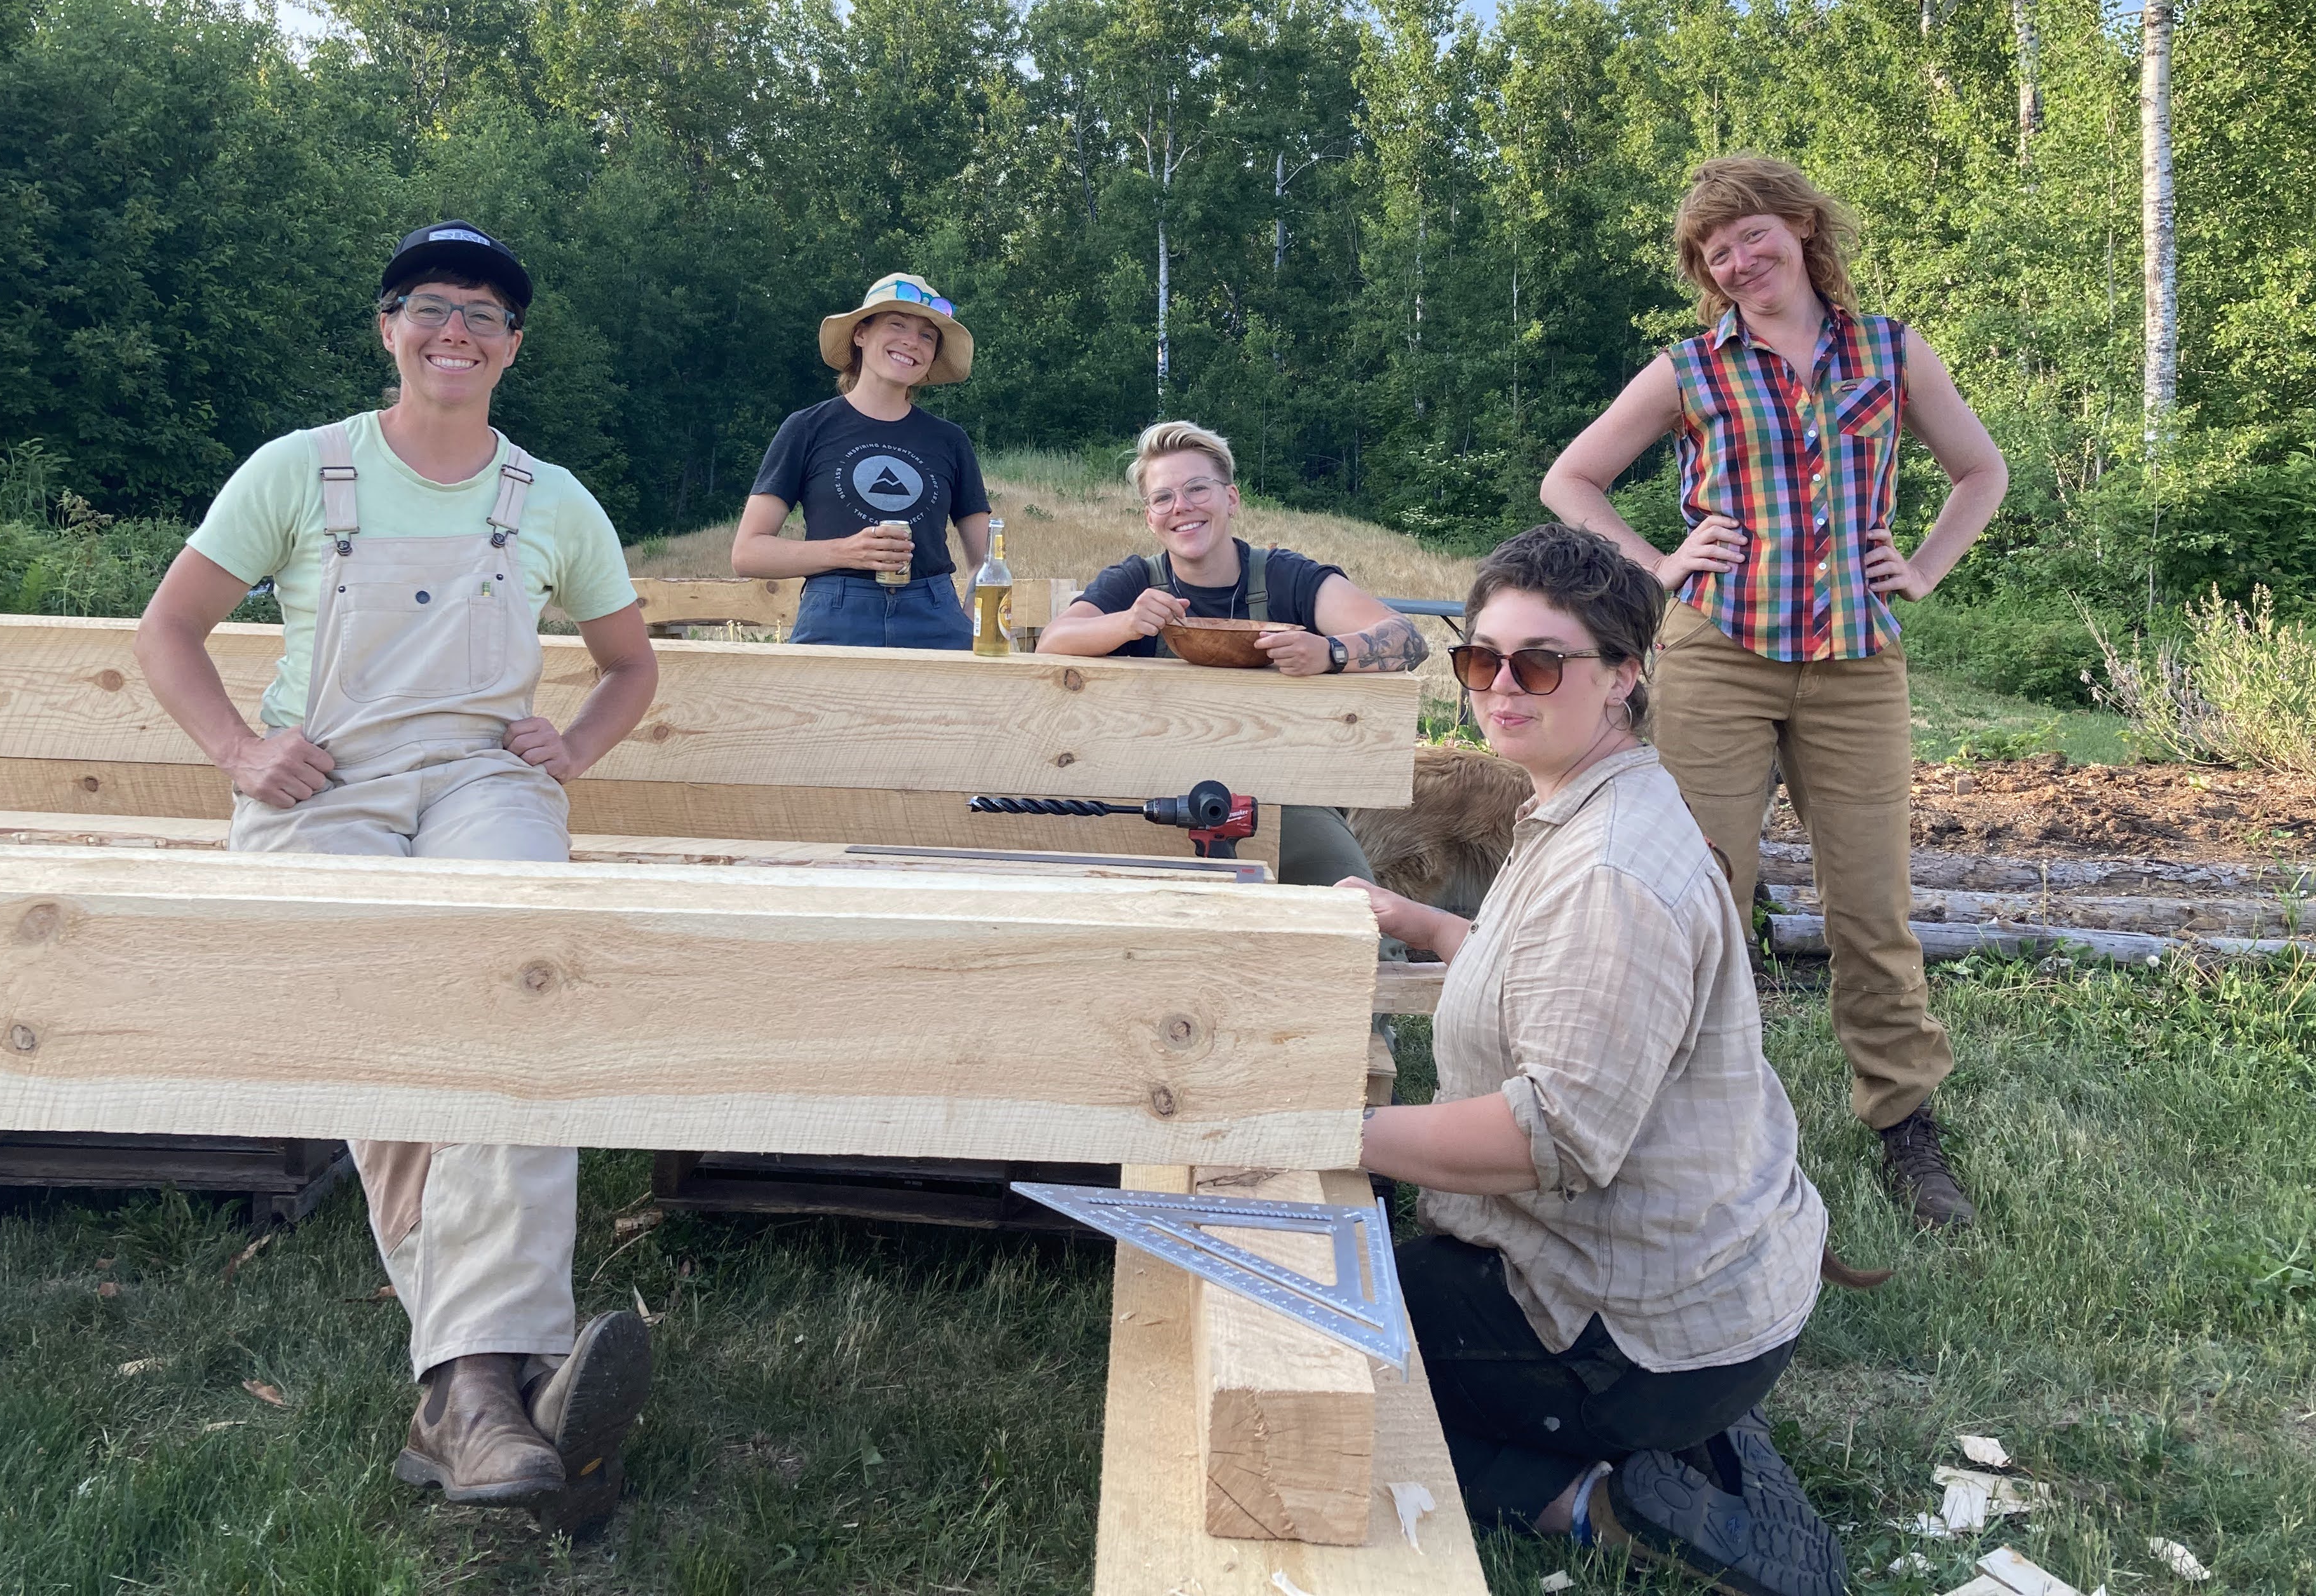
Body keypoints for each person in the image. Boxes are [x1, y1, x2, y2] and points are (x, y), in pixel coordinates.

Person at [133, 220, 661, 1528]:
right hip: (333, 782)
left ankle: (470, 1392)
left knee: (519, 996)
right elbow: (171, 628)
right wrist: (238, 750)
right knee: (392, 1024)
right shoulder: (299, 472)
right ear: (388, 328)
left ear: (513, 349)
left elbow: (631, 662)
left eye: (484, 317)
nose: (455, 333)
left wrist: (570, 746)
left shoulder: (550, 497)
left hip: (484, 781)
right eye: (431, 307)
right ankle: (497, 1378)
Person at [1350, 524, 1845, 1596]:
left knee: (1321, 1353)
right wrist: (1426, 925)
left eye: (1539, 661)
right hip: (1712, 1278)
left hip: (1633, 1330)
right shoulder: (1590, 801)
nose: (1500, 687)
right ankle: (1690, 1436)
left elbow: (1549, 1133)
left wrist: (1327, 1133)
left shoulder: (1613, 868)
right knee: (1360, 1273)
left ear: (1624, 673)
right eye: (1479, 658)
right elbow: (1552, 978)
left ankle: (1601, 1500)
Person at [1540, 154, 2008, 1229]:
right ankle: (1679, 1119)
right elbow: (1571, 478)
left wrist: (1925, 566)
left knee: (1870, 904)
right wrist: (1659, 560)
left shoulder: (1887, 350)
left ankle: (1903, 1123)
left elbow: (1980, 469)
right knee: (1698, 893)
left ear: (1800, 227)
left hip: (1855, 662)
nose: (1736, 260)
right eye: (1714, 252)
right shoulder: (1691, 368)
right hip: (1720, 652)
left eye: (1750, 236)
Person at [1036, 419, 1428, 889]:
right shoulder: (1134, 581)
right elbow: (1051, 643)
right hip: (1150, 794)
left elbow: (1409, 639)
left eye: (1197, 489)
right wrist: (1124, 622)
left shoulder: (1288, 577)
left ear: (1232, 499)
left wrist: (1330, 653)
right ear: (1149, 517)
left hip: (1284, 800)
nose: (1181, 507)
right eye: (1163, 498)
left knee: (1355, 913)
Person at [733, 272, 989, 649]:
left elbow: (986, 560)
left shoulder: (950, 441)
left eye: (927, 336)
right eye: (897, 324)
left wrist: (971, 618)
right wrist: (846, 551)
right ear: (860, 334)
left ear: (933, 355)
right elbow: (748, 553)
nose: (911, 342)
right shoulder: (807, 428)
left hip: (935, 612)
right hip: (835, 614)